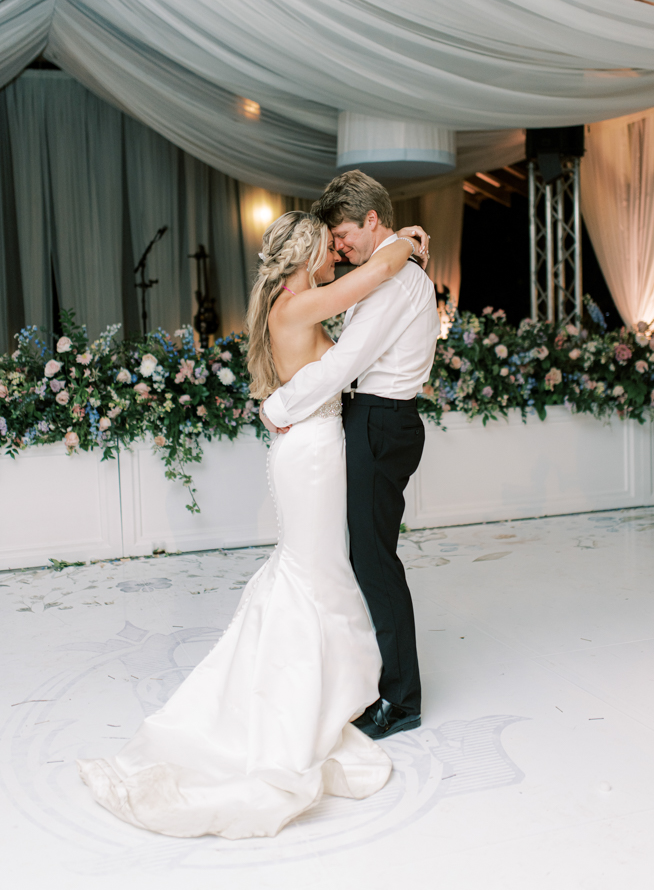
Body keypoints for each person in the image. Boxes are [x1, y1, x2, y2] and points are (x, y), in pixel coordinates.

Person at [77, 209, 428, 840]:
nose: (334, 255)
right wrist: (404, 241)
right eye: (326, 247)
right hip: (313, 453)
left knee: (312, 566)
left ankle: (333, 682)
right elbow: (377, 271)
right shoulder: (300, 302)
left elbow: (362, 290)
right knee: (313, 569)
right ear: (303, 257)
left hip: (310, 446)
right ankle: (314, 692)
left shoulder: (291, 302)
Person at [262, 171, 440, 741]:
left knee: (372, 561)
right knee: (363, 556)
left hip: (379, 421)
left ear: (371, 220)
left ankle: (401, 699)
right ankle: (380, 682)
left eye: (343, 234)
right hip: (375, 419)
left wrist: (279, 407)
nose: (338, 246)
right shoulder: (386, 269)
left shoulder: (396, 278)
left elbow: (345, 364)